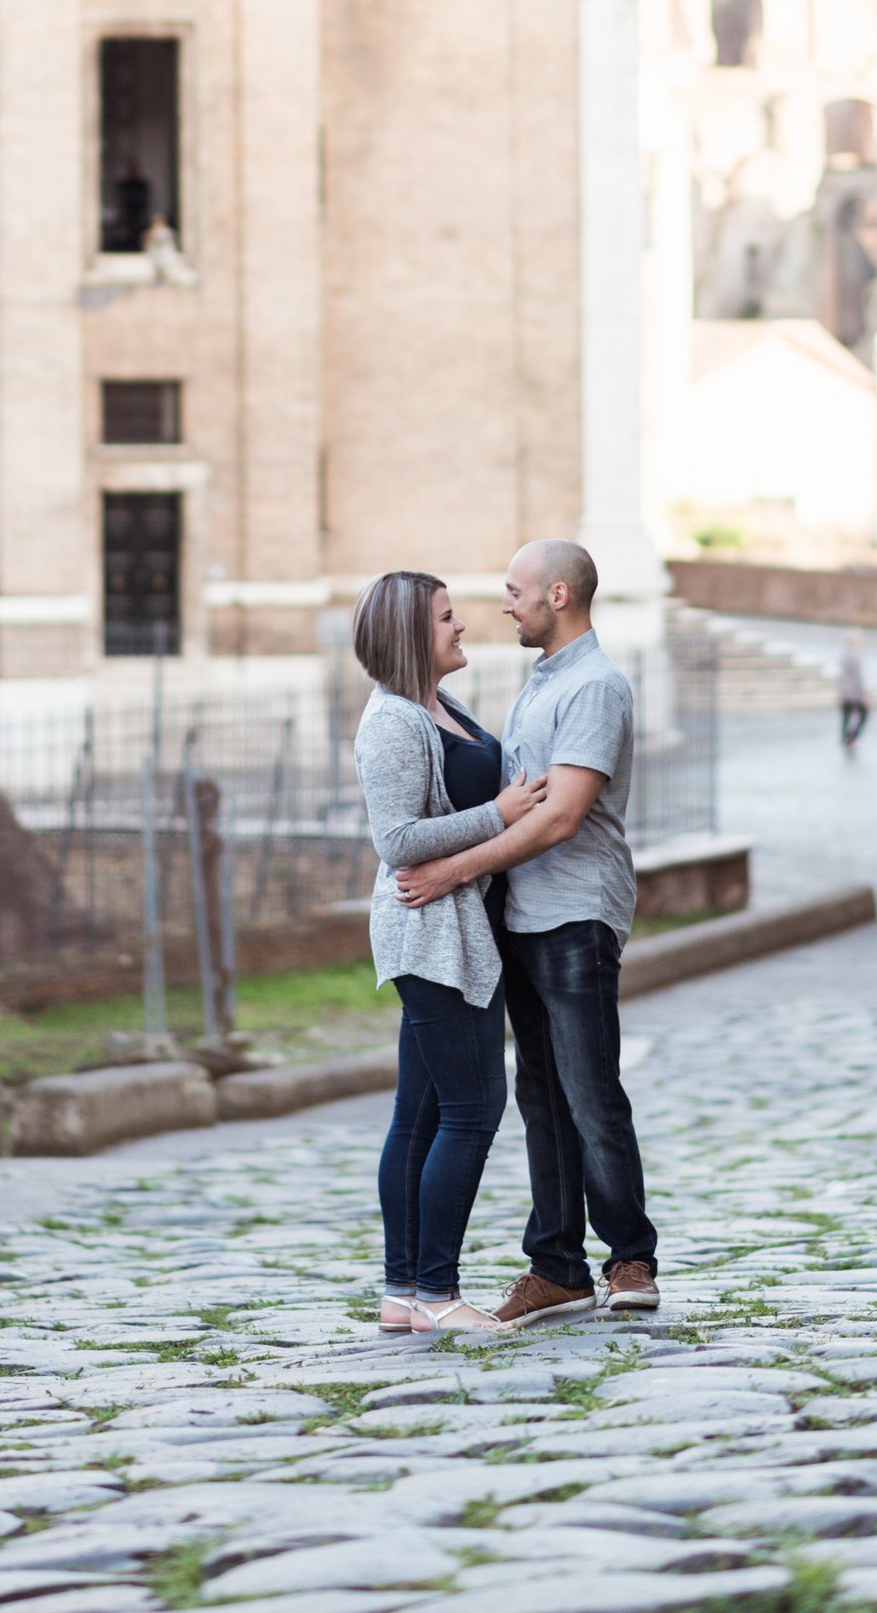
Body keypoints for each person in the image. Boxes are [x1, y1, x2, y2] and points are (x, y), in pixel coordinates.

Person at [394, 539, 659, 1326]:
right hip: (523, 916)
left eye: (515, 591)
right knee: (542, 1097)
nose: (503, 605)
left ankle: (630, 1258)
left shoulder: (595, 687)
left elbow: (562, 816)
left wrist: (453, 869)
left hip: (575, 914)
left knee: (587, 1090)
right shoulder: (545, 683)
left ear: (559, 595)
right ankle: (556, 1266)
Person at [351, 568, 548, 1334]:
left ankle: (404, 1293)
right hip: (430, 935)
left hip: (454, 931)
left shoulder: (437, 706)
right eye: (444, 619)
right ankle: (436, 1292)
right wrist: (499, 813)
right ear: (409, 636)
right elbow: (397, 841)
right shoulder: (393, 722)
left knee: (422, 1110)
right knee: (472, 1109)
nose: (460, 626)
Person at [836, 632, 870, 753]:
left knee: (846, 716)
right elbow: (858, 677)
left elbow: (842, 676)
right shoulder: (856, 656)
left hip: (845, 691)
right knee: (864, 714)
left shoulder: (845, 655)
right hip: (854, 693)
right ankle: (851, 738)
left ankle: (845, 738)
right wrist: (863, 694)